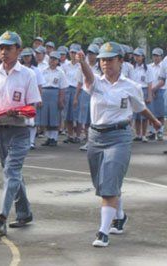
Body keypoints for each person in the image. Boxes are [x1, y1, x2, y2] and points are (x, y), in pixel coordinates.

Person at [77, 42, 161, 247]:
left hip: (120, 136)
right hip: (96, 137)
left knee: (109, 183)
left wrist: (154, 121)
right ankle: (120, 215)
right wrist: (82, 63)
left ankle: (102, 232)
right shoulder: (95, 83)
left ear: (120, 61)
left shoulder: (130, 86)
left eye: (110, 59)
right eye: (103, 60)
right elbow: (88, 76)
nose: (106, 63)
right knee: (103, 183)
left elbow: (140, 107)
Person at [0, 31, 41, 235]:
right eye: (1, 48)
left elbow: (33, 106)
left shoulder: (27, 75)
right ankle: (24, 213)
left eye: (8, 48)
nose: (4, 52)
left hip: (20, 130)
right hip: (0, 131)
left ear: (19, 50)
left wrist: (20, 111)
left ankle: (1, 218)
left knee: (11, 172)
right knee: (13, 174)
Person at [38, 51, 68, 146]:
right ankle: (49, 137)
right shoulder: (43, 70)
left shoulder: (60, 72)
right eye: (51, 58)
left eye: (54, 59)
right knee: (46, 117)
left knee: (54, 117)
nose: (52, 61)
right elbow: (40, 85)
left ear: (58, 61)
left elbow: (62, 87)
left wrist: (61, 99)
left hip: (55, 94)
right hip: (45, 93)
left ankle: (54, 138)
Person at [20, 47, 45, 149]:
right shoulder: (19, 68)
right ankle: (22, 141)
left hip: (32, 97)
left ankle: (31, 141)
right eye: (24, 56)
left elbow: (39, 85)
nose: (26, 58)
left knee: (32, 121)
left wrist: (39, 98)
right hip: (21, 97)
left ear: (32, 57)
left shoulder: (36, 70)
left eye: (28, 56)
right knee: (22, 120)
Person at [79, 44, 101, 151]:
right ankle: (88, 141)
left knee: (95, 118)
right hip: (85, 93)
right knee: (86, 119)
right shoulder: (84, 65)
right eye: (89, 53)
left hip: (96, 94)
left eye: (93, 54)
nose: (90, 56)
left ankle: (95, 141)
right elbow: (80, 82)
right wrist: (76, 96)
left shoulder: (101, 67)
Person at [62, 43, 83, 144]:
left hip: (78, 90)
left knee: (78, 114)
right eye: (71, 52)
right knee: (68, 114)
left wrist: (76, 96)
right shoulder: (65, 65)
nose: (73, 54)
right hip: (67, 90)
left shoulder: (81, 65)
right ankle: (70, 135)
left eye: (75, 52)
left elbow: (81, 81)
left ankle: (78, 136)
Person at [131, 48, 153, 142]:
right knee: (136, 115)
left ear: (143, 57)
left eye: (138, 56)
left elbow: (149, 83)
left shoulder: (147, 68)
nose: (137, 58)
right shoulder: (132, 67)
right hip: (134, 91)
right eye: (135, 56)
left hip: (143, 91)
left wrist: (149, 95)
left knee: (144, 114)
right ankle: (138, 134)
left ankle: (144, 134)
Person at [147, 48, 165, 141]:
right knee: (151, 113)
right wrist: (150, 91)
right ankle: (152, 132)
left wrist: (154, 90)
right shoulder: (149, 66)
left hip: (161, 90)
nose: (155, 57)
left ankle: (160, 132)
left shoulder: (164, 66)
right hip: (150, 91)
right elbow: (148, 80)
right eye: (154, 55)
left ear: (161, 56)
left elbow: (162, 81)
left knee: (160, 113)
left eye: (157, 55)